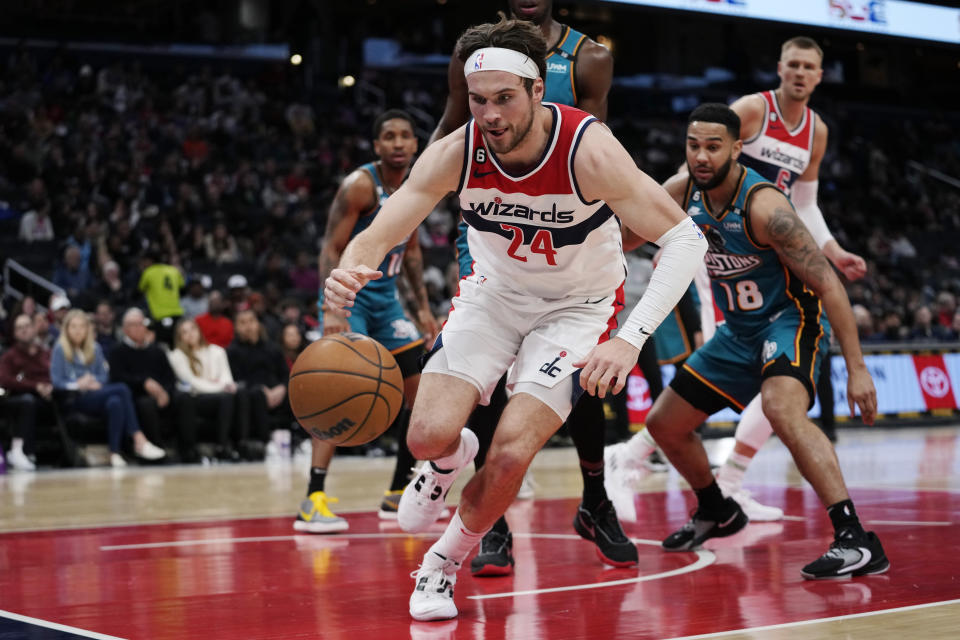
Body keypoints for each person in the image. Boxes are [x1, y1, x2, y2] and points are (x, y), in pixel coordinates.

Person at [323, 18, 706, 620]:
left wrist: (630, 340)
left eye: (505, 98)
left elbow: (685, 242)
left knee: (509, 454)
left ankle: (441, 566)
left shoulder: (590, 149)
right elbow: (383, 229)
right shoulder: (456, 151)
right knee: (425, 435)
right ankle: (449, 460)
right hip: (495, 296)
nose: (492, 114)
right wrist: (351, 268)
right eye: (479, 100)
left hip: (578, 309)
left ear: (536, 91)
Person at [607, 37, 869, 521]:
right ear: (779, 68)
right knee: (723, 352)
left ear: (819, 75)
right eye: (791, 63)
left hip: (768, 250)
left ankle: (724, 480)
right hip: (716, 242)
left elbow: (805, 206)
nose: (799, 73)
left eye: (809, 66)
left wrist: (831, 249)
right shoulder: (752, 109)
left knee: (781, 389)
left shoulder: (816, 131)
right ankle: (652, 460)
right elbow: (704, 155)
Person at [635, 104, 886, 581]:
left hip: (790, 321)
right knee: (665, 424)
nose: (702, 156)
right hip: (738, 331)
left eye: (713, 147)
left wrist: (857, 368)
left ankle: (855, 539)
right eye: (693, 146)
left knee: (781, 409)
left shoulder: (766, 208)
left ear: (736, 148)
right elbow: (625, 233)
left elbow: (829, 285)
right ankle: (717, 509)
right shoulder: (678, 191)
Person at [428, 0, 628, 574]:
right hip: (495, 212)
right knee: (485, 372)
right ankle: (494, 528)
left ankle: (595, 497)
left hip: (566, 212)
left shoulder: (588, 56)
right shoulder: (474, 53)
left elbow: (598, 144)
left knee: (578, 369)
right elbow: (450, 126)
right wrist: (419, 191)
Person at [295, 108, 439, 535]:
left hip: (389, 302)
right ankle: (313, 498)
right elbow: (330, 249)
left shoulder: (418, 186)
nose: (398, 143)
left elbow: (411, 253)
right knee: (333, 390)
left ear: (415, 144)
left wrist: (423, 310)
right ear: (376, 146)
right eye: (389, 137)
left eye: (405, 136)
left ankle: (398, 492)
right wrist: (335, 311)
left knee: (421, 396)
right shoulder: (360, 185)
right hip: (351, 299)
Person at [50, 309, 166, 467]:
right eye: (73, 327)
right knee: (122, 389)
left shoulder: (95, 348)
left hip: (95, 395)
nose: (78, 331)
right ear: (66, 329)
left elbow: (104, 376)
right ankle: (139, 439)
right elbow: (56, 381)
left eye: (82, 326)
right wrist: (78, 384)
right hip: (74, 398)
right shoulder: (60, 349)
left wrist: (95, 382)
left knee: (115, 403)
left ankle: (114, 453)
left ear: (87, 329)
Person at [109, 308, 193, 460]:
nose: (140, 327)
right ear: (126, 329)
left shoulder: (157, 351)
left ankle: (188, 450)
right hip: (136, 396)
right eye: (135, 324)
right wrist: (143, 383)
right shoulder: (117, 351)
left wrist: (165, 392)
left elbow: (170, 378)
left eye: (142, 324)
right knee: (145, 404)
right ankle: (157, 450)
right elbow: (118, 379)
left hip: (162, 394)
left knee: (184, 398)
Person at [168, 318, 239, 462]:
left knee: (231, 397)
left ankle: (223, 446)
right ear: (179, 337)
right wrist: (217, 385)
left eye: (192, 329)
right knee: (221, 398)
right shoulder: (176, 355)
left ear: (199, 331)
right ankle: (193, 450)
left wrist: (217, 385)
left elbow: (228, 380)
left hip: (216, 397)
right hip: (195, 398)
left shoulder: (217, 351)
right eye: (184, 332)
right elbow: (192, 383)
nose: (190, 334)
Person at [227, 309, 289, 455]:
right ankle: (265, 443)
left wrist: (282, 388)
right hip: (251, 394)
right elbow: (234, 380)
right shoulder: (232, 351)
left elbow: (286, 374)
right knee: (256, 394)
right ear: (236, 327)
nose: (248, 326)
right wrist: (262, 389)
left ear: (258, 324)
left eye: (251, 321)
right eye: (243, 323)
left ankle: (304, 440)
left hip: (277, 392)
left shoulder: (273, 348)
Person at [0, 314, 53, 471]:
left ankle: (71, 453)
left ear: (34, 328)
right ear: (15, 333)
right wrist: (35, 386)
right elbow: (5, 380)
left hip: (46, 398)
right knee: (27, 401)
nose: (23, 331)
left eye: (27, 326)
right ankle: (18, 450)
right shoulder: (9, 356)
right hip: (15, 399)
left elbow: (52, 374)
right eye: (19, 328)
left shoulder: (44, 353)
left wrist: (49, 386)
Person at [138, 250, 185, 347]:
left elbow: (140, 289)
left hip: (160, 316)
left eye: (144, 261)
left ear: (149, 261)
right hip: (177, 315)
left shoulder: (148, 272)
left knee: (162, 348)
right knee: (178, 346)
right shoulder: (174, 270)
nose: (142, 264)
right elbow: (182, 286)